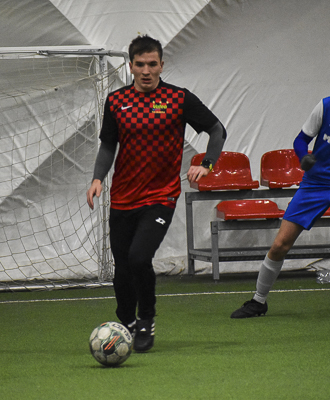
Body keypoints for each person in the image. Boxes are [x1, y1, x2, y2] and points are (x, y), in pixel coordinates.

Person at [86, 35, 227, 350]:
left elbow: (217, 130)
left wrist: (207, 164)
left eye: (152, 64)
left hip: (160, 197)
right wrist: (97, 178)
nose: (146, 71)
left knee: (139, 258)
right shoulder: (116, 101)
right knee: (122, 269)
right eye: (140, 64)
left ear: (162, 65)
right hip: (122, 198)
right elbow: (108, 145)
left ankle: (146, 319)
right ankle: (126, 322)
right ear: (131, 66)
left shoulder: (178, 98)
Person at [231, 63, 330, 319]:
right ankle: (258, 301)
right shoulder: (326, 107)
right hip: (315, 184)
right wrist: (303, 158)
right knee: (280, 245)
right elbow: (301, 140)